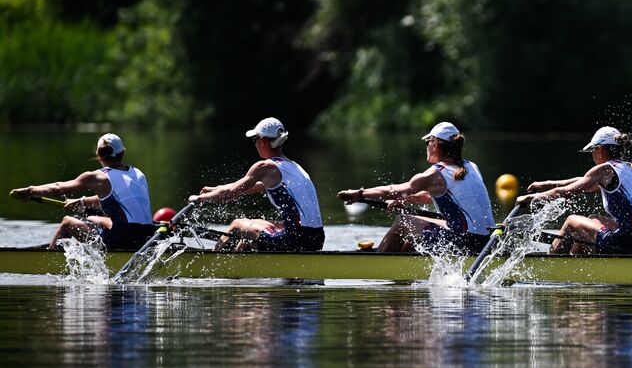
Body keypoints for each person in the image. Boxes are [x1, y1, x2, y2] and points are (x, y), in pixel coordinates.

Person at [337, 122, 495, 254]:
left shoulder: (436, 173)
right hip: (485, 241)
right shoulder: (471, 167)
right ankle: (403, 273)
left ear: (435, 144)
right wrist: (404, 199)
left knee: (403, 222)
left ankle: (378, 266)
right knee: (416, 228)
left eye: (428, 142)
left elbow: (393, 190)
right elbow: (433, 196)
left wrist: (360, 194)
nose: (426, 146)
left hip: (464, 241)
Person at [187, 117, 325, 251]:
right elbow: (245, 188)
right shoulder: (295, 167)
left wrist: (199, 198)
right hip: (317, 239)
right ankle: (243, 253)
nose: (255, 144)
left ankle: (213, 263)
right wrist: (215, 189)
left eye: (255, 139)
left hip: (294, 241)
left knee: (237, 224)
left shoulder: (265, 167)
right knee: (257, 223)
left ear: (263, 141)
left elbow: (230, 192)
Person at [519, 126, 632, 255]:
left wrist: (530, 199)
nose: (592, 154)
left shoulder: (604, 170)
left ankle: (553, 264)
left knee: (571, 222)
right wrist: (547, 184)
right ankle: (577, 260)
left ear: (600, 149)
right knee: (594, 219)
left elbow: (562, 193)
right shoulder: (629, 169)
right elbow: (582, 181)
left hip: (629, 243)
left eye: (593, 149)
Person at [9, 133, 155, 250]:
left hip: (122, 240)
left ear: (98, 154)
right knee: (92, 219)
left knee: (67, 222)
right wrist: (82, 202)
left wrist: (30, 190)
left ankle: (51, 257)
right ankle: (78, 251)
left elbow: (57, 188)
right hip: (145, 237)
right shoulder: (138, 173)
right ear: (122, 152)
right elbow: (119, 200)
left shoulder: (98, 176)